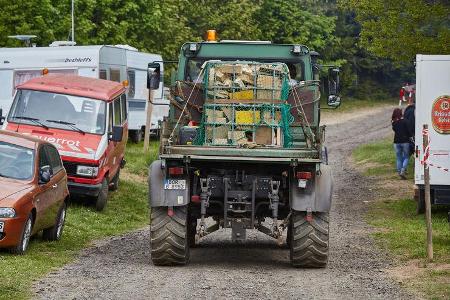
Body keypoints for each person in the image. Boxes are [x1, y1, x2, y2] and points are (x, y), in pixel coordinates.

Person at [392, 108, 412, 179]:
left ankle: (399, 171)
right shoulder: (406, 121)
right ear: (401, 113)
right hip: (405, 142)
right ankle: (403, 171)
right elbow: (409, 131)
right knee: (406, 156)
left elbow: (394, 130)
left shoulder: (394, 123)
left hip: (396, 142)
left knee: (398, 158)